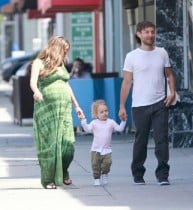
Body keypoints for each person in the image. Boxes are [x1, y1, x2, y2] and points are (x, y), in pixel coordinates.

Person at [118, 20, 176, 186]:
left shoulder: (162, 53)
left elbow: (170, 75)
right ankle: (138, 173)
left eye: (152, 32)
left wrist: (172, 93)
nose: (150, 35)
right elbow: (127, 83)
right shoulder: (131, 57)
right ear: (139, 34)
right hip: (140, 105)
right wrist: (122, 106)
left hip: (160, 103)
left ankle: (163, 174)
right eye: (147, 32)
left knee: (161, 140)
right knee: (141, 140)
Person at [30, 35, 84, 189]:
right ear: (56, 48)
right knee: (50, 145)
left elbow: (66, 86)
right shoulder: (38, 63)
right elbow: (33, 82)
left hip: (64, 109)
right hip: (46, 109)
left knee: (68, 145)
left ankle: (64, 170)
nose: (66, 54)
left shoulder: (61, 65)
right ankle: (48, 179)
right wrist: (36, 91)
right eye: (64, 50)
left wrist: (77, 106)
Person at [78, 99, 126, 186]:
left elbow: (120, 129)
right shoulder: (94, 123)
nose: (105, 113)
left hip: (107, 150)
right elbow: (87, 129)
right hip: (95, 150)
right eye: (101, 112)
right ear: (96, 114)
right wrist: (83, 121)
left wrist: (123, 121)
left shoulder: (111, 122)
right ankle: (96, 179)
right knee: (95, 165)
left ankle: (105, 174)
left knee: (107, 163)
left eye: (106, 111)